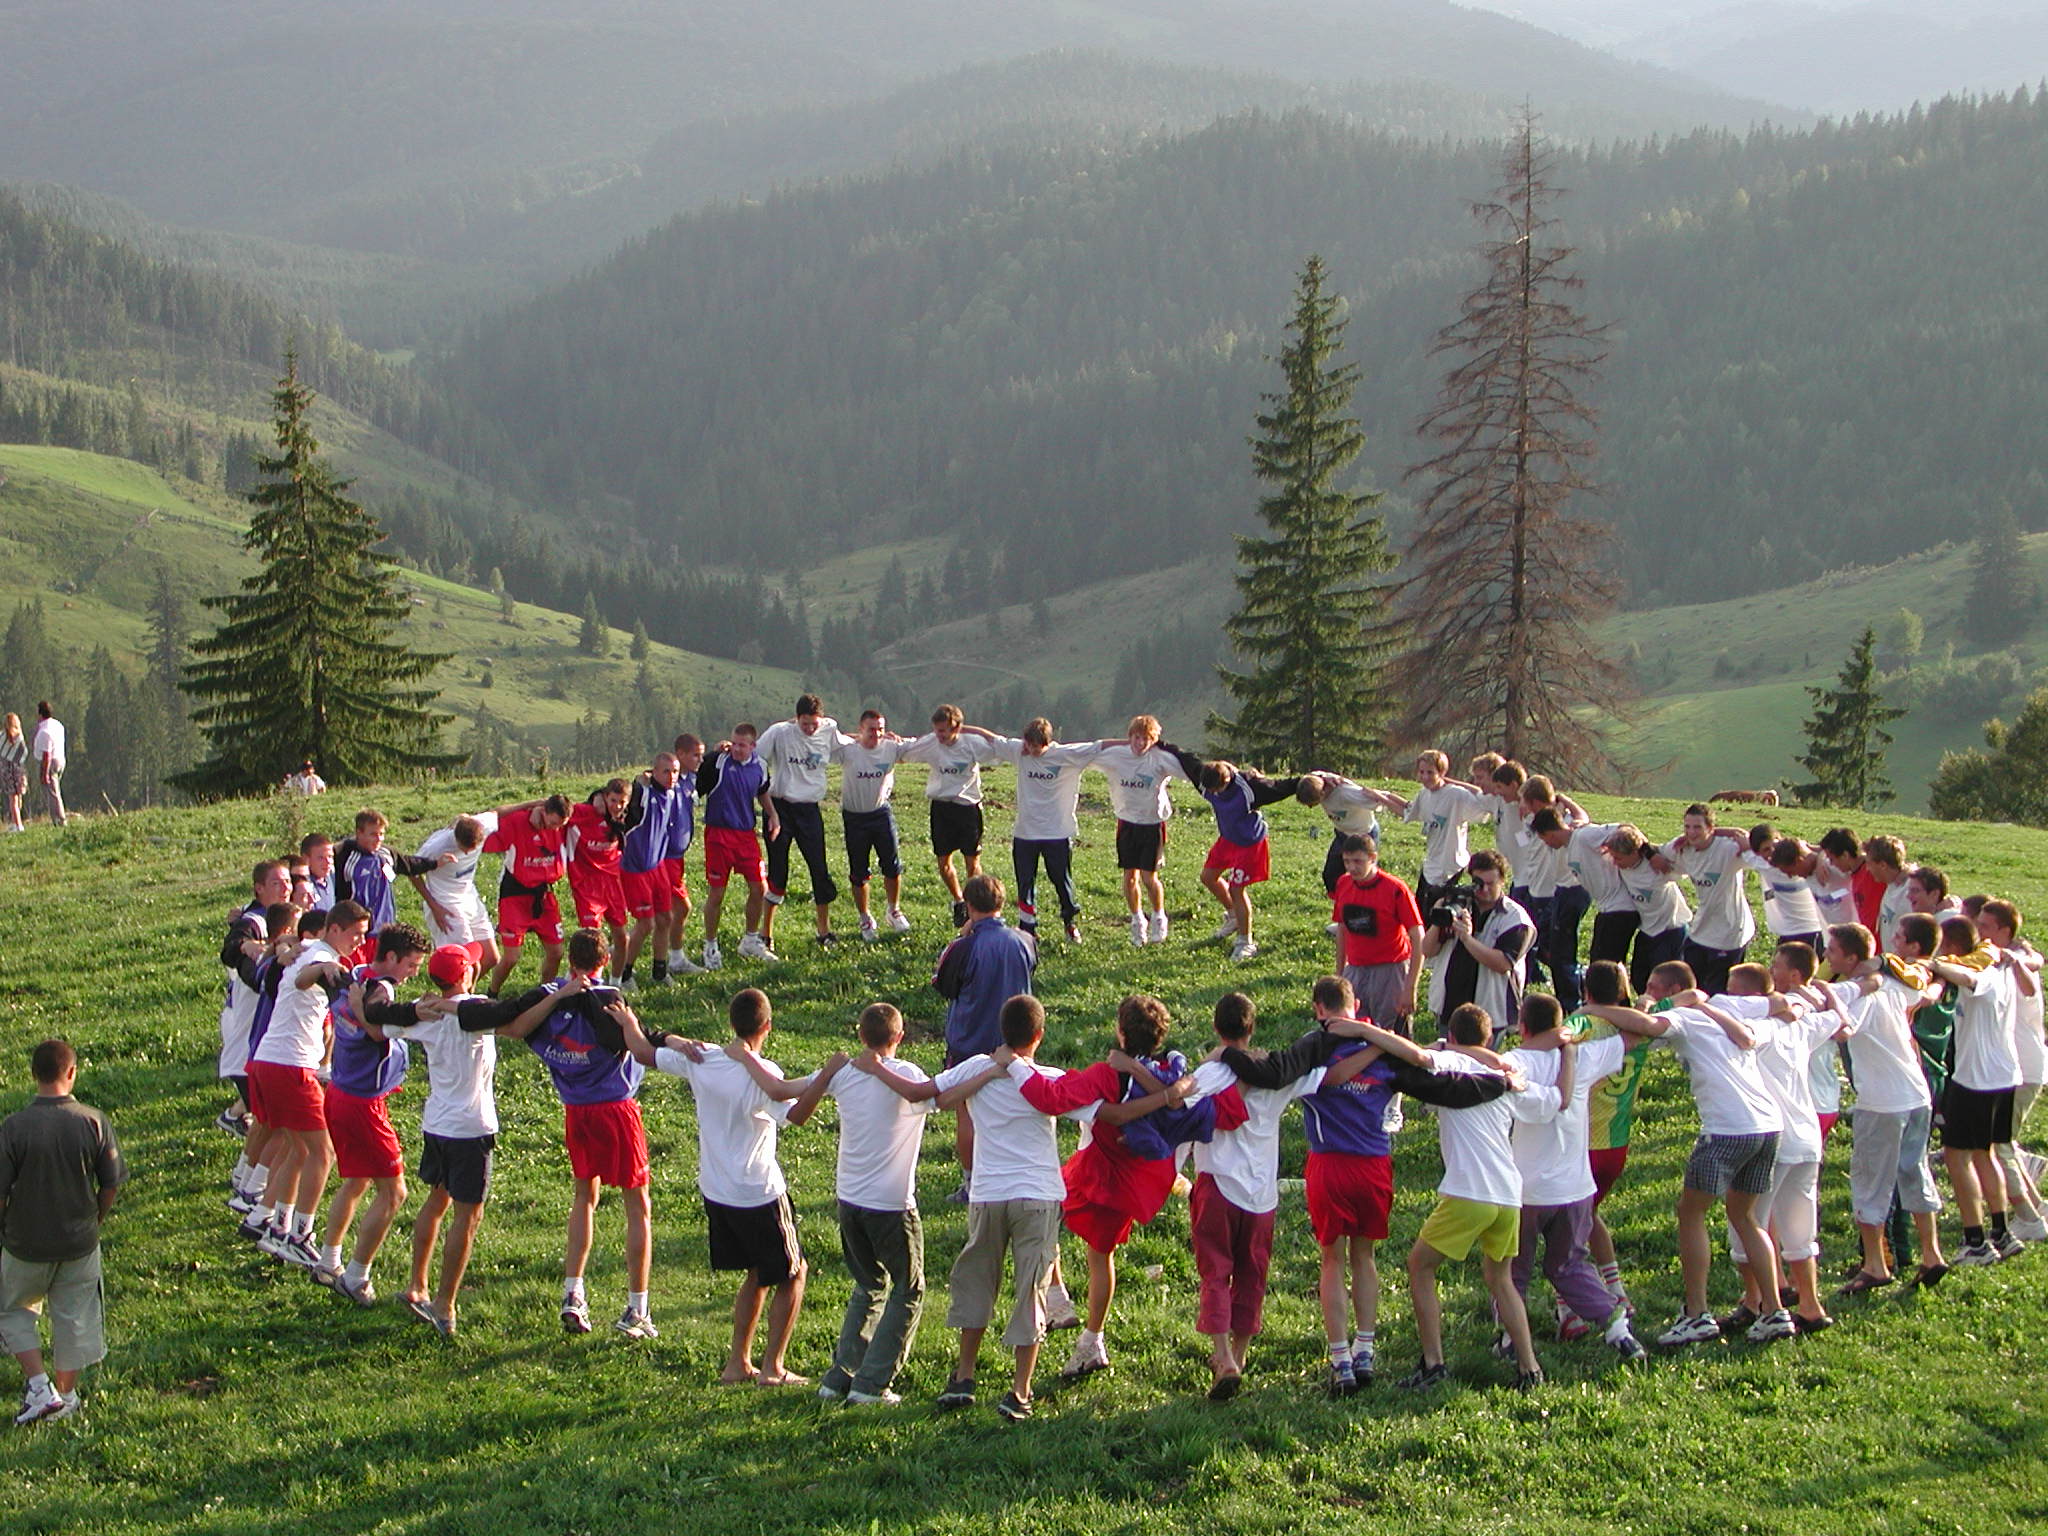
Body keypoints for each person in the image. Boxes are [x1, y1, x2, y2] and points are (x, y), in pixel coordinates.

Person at [1218, 976, 1515, 1396]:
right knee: (1365, 1257)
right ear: (1355, 1004)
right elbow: (1444, 1085)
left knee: (1331, 1260)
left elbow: (1274, 1072)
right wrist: (1500, 1081)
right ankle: (1366, 1350)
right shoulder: (1386, 1052)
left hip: (1330, 1165)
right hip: (1375, 1166)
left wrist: (1226, 1053)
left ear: (1319, 1009)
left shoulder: (1316, 1045)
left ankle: (1339, 1359)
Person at [999, 995, 1238, 1384]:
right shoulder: (1169, 1075)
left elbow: (1050, 1097)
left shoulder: (1107, 1076)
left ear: (1120, 1032)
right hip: (1134, 1182)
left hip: (1097, 1171)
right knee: (1100, 1257)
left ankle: (1060, 1299)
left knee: (1044, 1211)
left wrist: (1014, 1064)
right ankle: (1092, 1335)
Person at [621, 989, 835, 1384]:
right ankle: (772, 1367)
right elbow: (794, 1114)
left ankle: (737, 1363)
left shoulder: (704, 1059)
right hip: (758, 1193)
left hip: (716, 1190)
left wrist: (628, 1021)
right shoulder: (762, 1072)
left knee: (756, 1273)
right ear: (767, 1027)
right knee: (794, 1272)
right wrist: (827, 1077)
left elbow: (641, 1051)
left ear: (730, 1022)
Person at [1583, 963, 1794, 1346]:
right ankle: (1774, 1311)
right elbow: (1779, 1005)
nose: (1646, 992)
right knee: (1745, 1217)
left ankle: (1697, 1314)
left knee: (1690, 1211)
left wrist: (1594, 1010)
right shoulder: (1728, 1008)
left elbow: (1646, 1026)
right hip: (1767, 1125)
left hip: (1727, 1129)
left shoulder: (1683, 1016)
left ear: (1676, 988)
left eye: (1652, 985)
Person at [918, 994, 1100, 1422]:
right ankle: (1019, 1391)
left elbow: (934, 1094)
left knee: (977, 1279)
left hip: (987, 1192)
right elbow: (1094, 1111)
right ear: (1039, 1035)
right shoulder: (1047, 1077)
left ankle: (963, 1376)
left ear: (1003, 1030)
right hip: (1037, 1196)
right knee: (1031, 1289)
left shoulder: (975, 1068)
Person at [386, 946, 554, 1336]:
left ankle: (417, 1286)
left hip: (436, 1123)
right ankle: (444, 1306)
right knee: (468, 1215)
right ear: (466, 973)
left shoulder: (425, 1012)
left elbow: (389, 1026)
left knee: (436, 1200)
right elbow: (513, 1019)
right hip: (471, 1129)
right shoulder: (475, 1008)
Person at [1402, 1002, 1565, 1392]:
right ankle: (1529, 1367)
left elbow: (1414, 1060)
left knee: (1420, 1267)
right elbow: (1554, 1101)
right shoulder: (1507, 1075)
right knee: (1500, 1279)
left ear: (1453, 1037)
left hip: (1467, 1192)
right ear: (1489, 1037)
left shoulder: (1450, 1066)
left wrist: (1445, 1049)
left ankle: (1433, 1363)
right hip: (1509, 1195)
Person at [1498, 994, 1648, 1362]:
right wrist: (1600, 1011)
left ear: (1523, 1026)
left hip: (1526, 1192)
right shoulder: (1583, 1055)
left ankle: (1508, 1339)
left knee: (1511, 1270)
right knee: (1570, 1265)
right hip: (1576, 1188)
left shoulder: (1517, 1061)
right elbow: (1636, 1036)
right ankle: (1618, 1330)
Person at [519, 932, 655, 1336]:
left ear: (569, 962)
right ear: (606, 958)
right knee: (638, 1206)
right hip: (616, 1108)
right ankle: (636, 1308)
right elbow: (639, 1044)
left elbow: (518, 1027)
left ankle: (574, 1291)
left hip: (576, 1110)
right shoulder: (609, 1000)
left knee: (585, 1197)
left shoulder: (550, 1001)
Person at [801, 1003, 935, 1405]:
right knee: (908, 1289)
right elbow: (939, 1095)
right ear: (900, 1036)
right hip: (892, 1204)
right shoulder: (909, 1074)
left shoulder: (844, 1076)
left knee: (869, 1283)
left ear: (861, 1037)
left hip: (849, 1200)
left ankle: (839, 1376)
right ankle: (872, 1384)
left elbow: (791, 1096)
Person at [0, 1040, 125, 1424]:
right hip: (79, 1240)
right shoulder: (93, 1120)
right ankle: (66, 1395)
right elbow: (110, 1184)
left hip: (24, 1241)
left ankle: (39, 1386)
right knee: (75, 1317)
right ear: (72, 1072)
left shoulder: (14, 1127)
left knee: (14, 1310)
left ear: (34, 1074)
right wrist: (96, 1218)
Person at [1822, 922, 1948, 1293]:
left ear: (1851, 956)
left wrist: (1829, 999)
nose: (1827, 956)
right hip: (1916, 1095)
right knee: (1915, 1172)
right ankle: (1932, 1254)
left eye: (1831, 950)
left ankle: (1875, 1265)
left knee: (1870, 1180)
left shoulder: (1862, 994)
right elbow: (1922, 994)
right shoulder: (1894, 983)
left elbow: (1843, 1031)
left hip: (1881, 1103)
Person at [248, 901, 373, 1270]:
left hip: (271, 1061)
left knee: (298, 1150)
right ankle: (300, 1234)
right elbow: (304, 979)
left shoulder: (311, 952)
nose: (360, 941)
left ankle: (277, 1228)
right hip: (290, 1065)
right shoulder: (318, 956)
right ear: (334, 929)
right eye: (356, 934)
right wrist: (322, 967)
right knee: (324, 1153)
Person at [313, 924, 433, 1304]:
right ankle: (356, 1276)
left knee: (357, 1180)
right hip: (363, 1103)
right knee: (395, 1192)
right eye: (411, 964)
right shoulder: (379, 991)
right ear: (392, 958)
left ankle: (328, 1260)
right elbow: (380, 1021)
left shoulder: (357, 975)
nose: (414, 972)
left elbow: (329, 980)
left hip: (340, 1093)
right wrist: (417, 1011)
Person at [1927, 913, 2028, 1264]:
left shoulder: (1983, 972)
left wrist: (1931, 963)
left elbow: (1967, 977)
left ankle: (1975, 1241)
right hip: (2003, 1076)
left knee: (1957, 1156)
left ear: (1953, 947)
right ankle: (2001, 1231)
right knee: (1985, 1153)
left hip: (1976, 1080)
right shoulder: (1999, 966)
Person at [932, 875, 1039, 1204]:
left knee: (967, 1113)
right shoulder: (1025, 940)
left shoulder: (964, 947)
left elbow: (942, 984)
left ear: (968, 906)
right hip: (1015, 1040)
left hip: (970, 1040)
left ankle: (972, 1184)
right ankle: (1015, 1174)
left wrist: (960, 937)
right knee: (1014, 1111)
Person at [1160, 742, 1303, 962]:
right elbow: (1185, 756)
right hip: (1227, 839)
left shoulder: (1251, 787)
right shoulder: (1204, 778)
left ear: (1227, 780)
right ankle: (1234, 915)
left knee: (1237, 889)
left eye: (1218, 790)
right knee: (1208, 877)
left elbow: (1284, 786)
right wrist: (1160, 744)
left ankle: (1246, 941)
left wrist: (1319, 779)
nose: (1214, 794)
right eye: (1210, 791)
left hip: (1249, 842)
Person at [974, 716, 1105, 943]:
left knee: (1061, 880)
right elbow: (991, 738)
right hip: (1026, 833)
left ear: (1048, 742)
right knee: (1025, 881)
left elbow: (1100, 746)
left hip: (1057, 833)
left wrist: (1142, 742)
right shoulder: (1019, 752)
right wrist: (960, 726)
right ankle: (1028, 928)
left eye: (1038, 746)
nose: (1033, 750)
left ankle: (1069, 923)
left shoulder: (1066, 755)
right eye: (1029, 744)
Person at [1976, 900, 2048, 1243]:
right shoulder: (2007, 962)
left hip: (2022, 1070)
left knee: (1998, 1145)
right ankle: (2035, 1207)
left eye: (1986, 927)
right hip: (2018, 1069)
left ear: (2005, 932)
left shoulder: (2016, 967)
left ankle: (2029, 1219)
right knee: (2000, 1142)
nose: (1979, 932)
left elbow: (2029, 982)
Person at [899, 703, 1003, 928]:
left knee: (972, 861)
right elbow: (904, 751)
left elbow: (996, 746)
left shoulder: (971, 744)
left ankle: (974, 903)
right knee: (943, 860)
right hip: (942, 807)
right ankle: (959, 901)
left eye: (944, 730)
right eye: (937, 730)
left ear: (957, 728)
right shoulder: (930, 743)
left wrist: (975, 730)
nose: (940, 735)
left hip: (967, 807)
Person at [756, 696, 843, 949]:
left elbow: (848, 745)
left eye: (814, 724)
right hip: (780, 808)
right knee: (778, 871)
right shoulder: (779, 732)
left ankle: (824, 931)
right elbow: (755, 756)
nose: (810, 729)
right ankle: (765, 934)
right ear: (796, 719)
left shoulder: (829, 729)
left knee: (819, 868)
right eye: (805, 724)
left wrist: (878, 739)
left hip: (809, 810)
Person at [1419, 849, 1534, 1039]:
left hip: (1490, 1013)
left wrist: (1467, 939)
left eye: (1491, 884)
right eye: (1479, 884)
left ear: (1503, 881)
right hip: (1450, 1006)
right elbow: (1428, 950)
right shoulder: (1457, 906)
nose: (1485, 890)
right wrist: (1440, 919)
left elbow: (1502, 963)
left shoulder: (1516, 918)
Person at [218, 860, 292, 1138]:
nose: (285, 888)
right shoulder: (255, 921)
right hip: (247, 1036)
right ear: (259, 889)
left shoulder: (278, 916)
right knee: (277, 1128)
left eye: (287, 882)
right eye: (277, 883)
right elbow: (231, 949)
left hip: (263, 1040)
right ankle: (254, 1179)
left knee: (272, 1128)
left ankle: (249, 1176)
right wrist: (258, 971)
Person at [1097, 715, 1187, 946]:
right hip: (1127, 823)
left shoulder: (1161, 760)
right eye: (1137, 738)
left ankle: (1159, 916)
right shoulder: (1116, 756)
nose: (1140, 743)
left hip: (1152, 824)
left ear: (1154, 740)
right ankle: (1137, 920)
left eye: (1147, 739)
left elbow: (1191, 771)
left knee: (1149, 877)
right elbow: (1088, 752)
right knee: (1129, 877)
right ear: (1129, 737)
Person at [695, 724, 779, 967]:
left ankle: (750, 940)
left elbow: (762, 791)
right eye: (734, 743)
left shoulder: (760, 766)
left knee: (759, 888)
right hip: (718, 835)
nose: (736, 749)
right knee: (717, 892)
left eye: (742, 745)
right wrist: (713, 753)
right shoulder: (720, 761)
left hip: (746, 836)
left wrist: (772, 814)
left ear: (753, 746)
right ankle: (710, 945)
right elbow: (699, 779)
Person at [831, 711, 915, 940]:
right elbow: (824, 741)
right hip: (854, 817)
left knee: (892, 865)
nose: (876, 734)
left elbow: (923, 744)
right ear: (861, 729)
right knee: (859, 872)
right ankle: (865, 918)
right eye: (871, 729)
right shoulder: (849, 750)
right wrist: (851, 737)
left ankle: (893, 910)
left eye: (880, 728)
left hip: (880, 813)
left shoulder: (892, 747)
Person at [1376, 751, 1489, 919]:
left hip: (1450, 863)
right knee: (1420, 910)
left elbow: (1482, 803)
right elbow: (1409, 812)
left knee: (1442, 913)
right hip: (1431, 861)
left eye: (1430, 772)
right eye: (1422, 772)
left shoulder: (1456, 795)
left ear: (1442, 773)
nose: (1425, 777)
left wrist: (1452, 781)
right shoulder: (1424, 794)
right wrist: (1383, 798)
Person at [1329, 833, 1423, 1033]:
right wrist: (1340, 974)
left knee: (1393, 1033)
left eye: (1358, 861)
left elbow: (1417, 936)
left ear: (1373, 858)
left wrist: (1410, 987)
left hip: (1390, 970)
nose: (1352, 867)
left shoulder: (1395, 889)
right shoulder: (1344, 884)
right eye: (1347, 861)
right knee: (1355, 1029)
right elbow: (1342, 929)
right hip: (1356, 969)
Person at [482, 794, 572, 994]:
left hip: (544, 894)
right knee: (512, 957)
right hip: (515, 893)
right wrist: (528, 805)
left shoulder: (560, 827)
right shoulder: (518, 821)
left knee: (556, 952)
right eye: (553, 822)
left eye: (560, 825)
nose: (555, 828)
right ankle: (492, 993)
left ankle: (544, 995)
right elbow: (492, 816)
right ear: (544, 811)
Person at [1662, 804, 1755, 995]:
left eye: (1697, 827)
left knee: (1718, 993)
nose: (1691, 833)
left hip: (1730, 931)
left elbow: (1754, 843)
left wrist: (1726, 832)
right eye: (1687, 827)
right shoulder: (1683, 849)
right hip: (1701, 929)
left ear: (1711, 829)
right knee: (1690, 987)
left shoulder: (1728, 850)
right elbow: (1657, 852)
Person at [617, 751, 686, 988]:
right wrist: (638, 781)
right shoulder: (643, 793)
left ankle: (659, 971)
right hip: (635, 868)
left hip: (657, 866)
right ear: (654, 771)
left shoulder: (672, 792)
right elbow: (625, 795)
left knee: (666, 918)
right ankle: (624, 973)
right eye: (665, 771)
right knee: (645, 924)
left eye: (675, 771)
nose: (671, 776)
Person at [334, 808, 451, 937]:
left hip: (385, 928)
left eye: (382, 834)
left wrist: (435, 863)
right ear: (359, 833)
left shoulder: (386, 854)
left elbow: (409, 864)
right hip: (356, 932)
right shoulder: (343, 855)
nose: (379, 839)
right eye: (373, 834)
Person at [410, 814, 501, 977]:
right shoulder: (436, 847)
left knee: (491, 958)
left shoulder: (481, 826)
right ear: (455, 838)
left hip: (469, 898)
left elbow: (498, 812)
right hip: (445, 905)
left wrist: (537, 803)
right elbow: (412, 871)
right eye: (464, 848)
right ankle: (457, 999)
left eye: (473, 848)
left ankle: (463, 996)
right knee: (462, 966)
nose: (467, 853)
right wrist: (434, 906)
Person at [566, 778, 640, 974]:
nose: (617, 806)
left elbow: (646, 782)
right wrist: (595, 796)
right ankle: (583, 980)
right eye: (613, 800)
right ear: (605, 797)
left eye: (621, 802)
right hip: (586, 884)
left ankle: (617, 982)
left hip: (612, 882)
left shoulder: (627, 816)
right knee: (592, 940)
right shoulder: (588, 812)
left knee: (622, 938)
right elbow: (561, 809)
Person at [1294, 771, 1391, 897]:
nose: (1312, 807)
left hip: (1364, 835)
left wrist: (1388, 800)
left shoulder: (1345, 793)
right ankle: (1340, 901)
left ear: (1323, 793)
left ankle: (1367, 901)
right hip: (1342, 835)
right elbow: (1314, 774)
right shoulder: (1318, 782)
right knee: (1331, 874)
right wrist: (1325, 776)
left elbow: (1376, 801)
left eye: (1314, 803)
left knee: (1364, 875)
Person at [30, 702, 64, 826]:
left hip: (50, 763)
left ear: (40, 713)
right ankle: (57, 818)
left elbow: (47, 754)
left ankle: (59, 819)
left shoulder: (45, 731)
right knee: (55, 790)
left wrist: (44, 773)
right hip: (60, 759)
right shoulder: (57, 725)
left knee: (52, 793)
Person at [0, 713, 27, 831]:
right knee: (18, 798)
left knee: (12, 799)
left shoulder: (2, 736)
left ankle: (17, 824)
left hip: (7, 771)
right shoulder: (19, 737)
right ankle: (16, 821)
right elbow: (24, 753)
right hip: (18, 770)